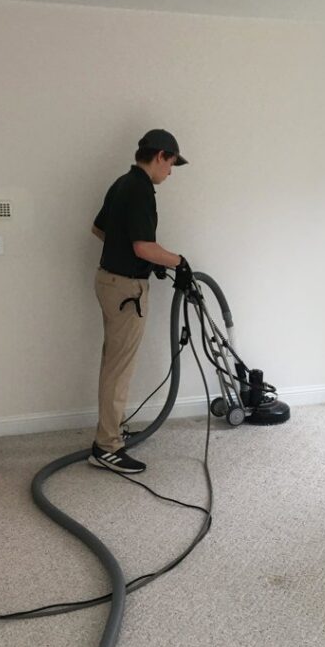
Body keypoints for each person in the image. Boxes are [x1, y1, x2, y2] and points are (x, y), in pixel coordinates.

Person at [90, 129, 193, 474]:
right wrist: (178, 261)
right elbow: (143, 246)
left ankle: (109, 433)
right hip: (126, 290)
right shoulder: (141, 190)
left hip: (109, 281)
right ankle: (107, 448)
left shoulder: (122, 183)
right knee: (119, 370)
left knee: (113, 364)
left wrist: (142, 258)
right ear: (160, 155)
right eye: (172, 163)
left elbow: (100, 229)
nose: (171, 171)